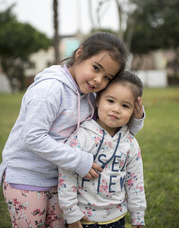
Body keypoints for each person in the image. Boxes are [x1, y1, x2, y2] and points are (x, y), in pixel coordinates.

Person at [0, 32, 144, 227]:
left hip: (59, 180)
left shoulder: (89, 96)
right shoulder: (50, 89)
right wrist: (79, 161)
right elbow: (33, 137)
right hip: (28, 177)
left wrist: (135, 118)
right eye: (95, 68)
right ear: (79, 54)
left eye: (107, 77)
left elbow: (110, 129)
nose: (97, 80)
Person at [58, 71, 146, 228]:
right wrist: (71, 215)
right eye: (110, 101)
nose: (116, 109)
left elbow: (135, 181)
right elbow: (67, 178)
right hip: (83, 219)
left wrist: (138, 215)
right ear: (98, 100)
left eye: (125, 106)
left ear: (135, 110)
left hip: (117, 218)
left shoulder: (130, 143)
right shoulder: (81, 137)